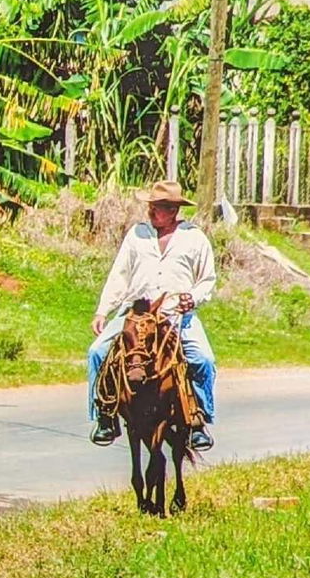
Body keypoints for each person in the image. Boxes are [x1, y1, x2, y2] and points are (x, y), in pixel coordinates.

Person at [87, 180, 217, 451]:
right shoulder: (137, 234)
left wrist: (191, 297)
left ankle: (198, 420)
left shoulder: (194, 238)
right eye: (151, 206)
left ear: (173, 210)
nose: (152, 212)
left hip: (175, 315)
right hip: (136, 313)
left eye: (158, 208)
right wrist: (103, 310)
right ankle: (104, 415)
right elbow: (119, 275)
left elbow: (207, 280)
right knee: (97, 352)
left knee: (203, 359)